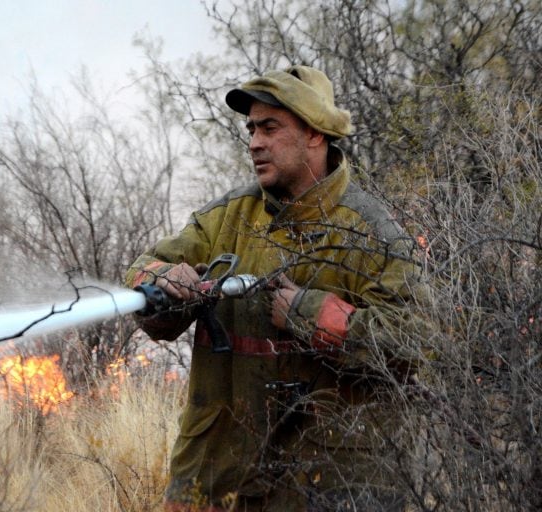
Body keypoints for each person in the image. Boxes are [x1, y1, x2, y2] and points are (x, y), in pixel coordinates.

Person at [125, 66, 426, 511]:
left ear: (315, 134)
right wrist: (161, 283)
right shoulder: (225, 218)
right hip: (217, 478)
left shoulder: (372, 233)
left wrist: (309, 314)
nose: (254, 143)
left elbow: (412, 341)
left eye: (270, 127)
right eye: (251, 129)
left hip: (335, 484)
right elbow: (143, 273)